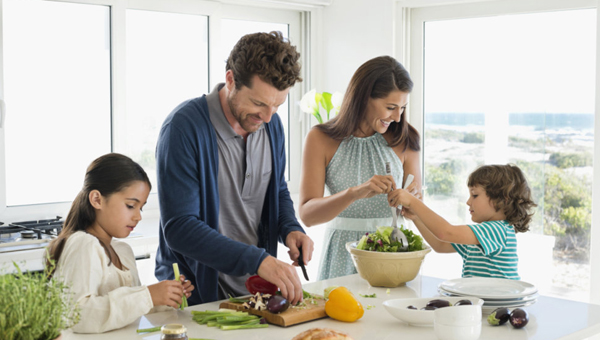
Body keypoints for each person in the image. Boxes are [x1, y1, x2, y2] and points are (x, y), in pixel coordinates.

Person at [155, 31, 313, 306]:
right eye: (259, 103)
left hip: (254, 294)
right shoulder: (184, 128)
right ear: (231, 80)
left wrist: (290, 228)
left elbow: (276, 190)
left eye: (278, 105)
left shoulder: (272, 125)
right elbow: (179, 227)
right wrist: (258, 259)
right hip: (194, 297)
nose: (267, 116)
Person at [299, 56, 422, 280]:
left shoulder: (406, 139)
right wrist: (355, 193)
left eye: (402, 108)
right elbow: (307, 215)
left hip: (392, 253)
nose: (397, 117)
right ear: (363, 98)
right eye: (390, 107)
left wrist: (413, 206)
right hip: (341, 255)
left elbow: (417, 209)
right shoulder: (320, 138)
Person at [47, 153, 194, 333]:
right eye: (131, 205)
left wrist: (165, 297)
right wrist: (147, 295)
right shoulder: (83, 244)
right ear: (97, 200)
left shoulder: (123, 251)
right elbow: (77, 315)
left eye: (141, 207)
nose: (138, 216)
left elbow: (127, 312)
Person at [388, 164, 537, 279]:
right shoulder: (480, 236)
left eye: (475, 195)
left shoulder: (498, 230)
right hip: (484, 307)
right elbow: (441, 244)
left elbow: (445, 233)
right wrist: (415, 218)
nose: (468, 201)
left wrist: (413, 202)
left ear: (502, 200)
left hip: (501, 310)